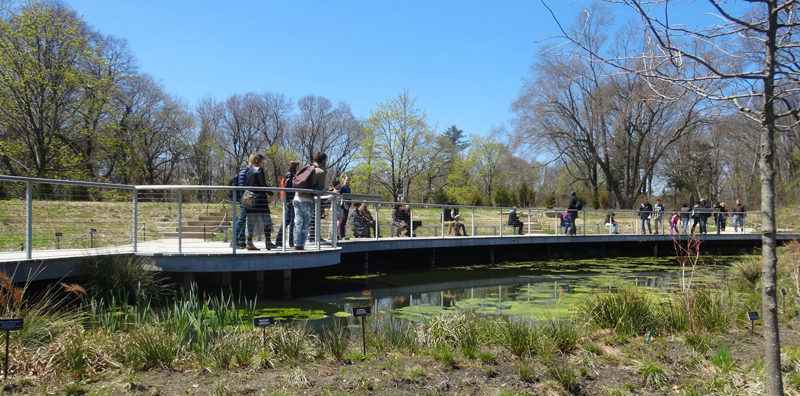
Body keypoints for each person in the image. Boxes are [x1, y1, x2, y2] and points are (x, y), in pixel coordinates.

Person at [293, 151, 327, 250]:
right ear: (323, 161)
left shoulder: (306, 168)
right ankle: (300, 245)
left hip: (296, 197)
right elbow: (320, 188)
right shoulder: (320, 172)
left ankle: (296, 243)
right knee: (306, 223)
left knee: (297, 221)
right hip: (307, 199)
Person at [244, 153, 275, 251]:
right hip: (260, 200)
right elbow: (263, 184)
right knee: (267, 221)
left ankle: (249, 242)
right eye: (262, 160)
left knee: (251, 222)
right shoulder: (259, 170)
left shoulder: (248, 171)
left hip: (249, 199)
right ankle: (268, 242)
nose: (263, 162)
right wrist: (271, 194)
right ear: (258, 161)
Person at [275, 160, 299, 248]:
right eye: (297, 166)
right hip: (290, 201)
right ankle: (291, 242)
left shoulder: (289, 174)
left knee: (286, 221)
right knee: (292, 221)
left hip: (289, 200)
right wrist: (289, 200)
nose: (299, 168)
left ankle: (279, 241)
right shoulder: (290, 175)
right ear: (294, 167)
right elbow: (287, 188)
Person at [232, 158, 252, 249]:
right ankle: (234, 240)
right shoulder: (245, 171)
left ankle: (241, 241)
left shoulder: (247, 171)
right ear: (248, 162)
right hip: (244, 198)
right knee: (241, 220)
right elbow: (243, 187)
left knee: (244, 220)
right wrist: (246, 199)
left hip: (245, 198)